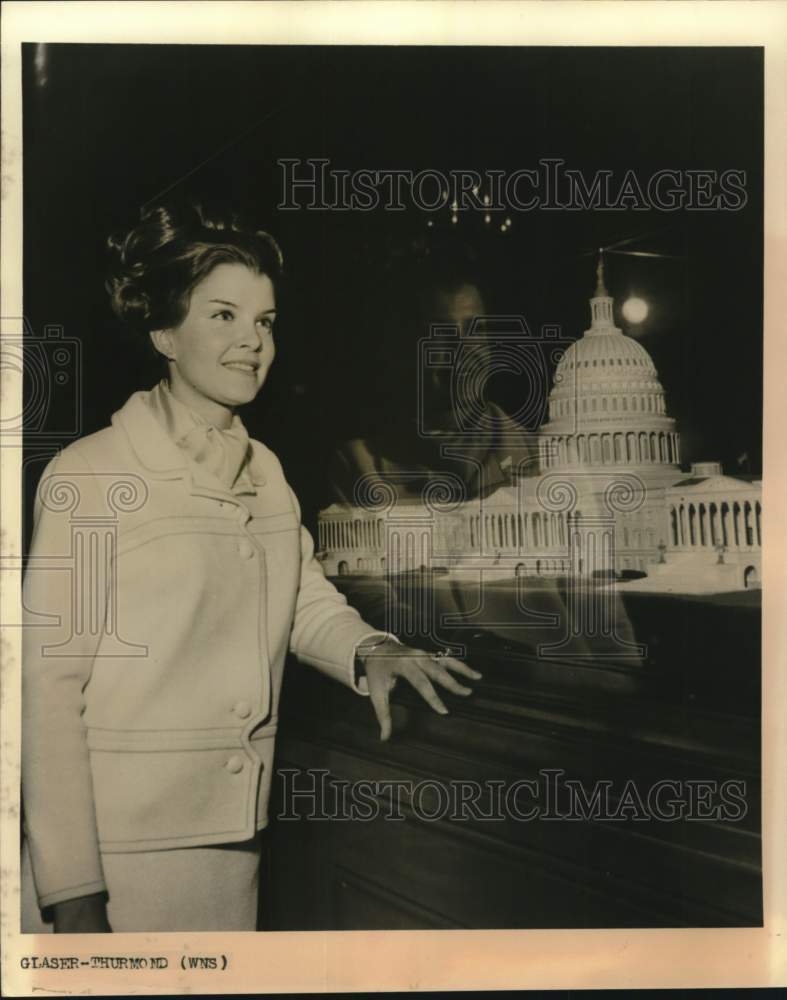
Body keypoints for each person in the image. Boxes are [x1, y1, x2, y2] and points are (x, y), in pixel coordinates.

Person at [20, 203, 481, 933]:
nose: (251, 343)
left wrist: (370, 648)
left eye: (263, 322)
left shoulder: (264, 470)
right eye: (224, 317)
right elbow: (41, 696)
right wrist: (71, 890)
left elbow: (300, 599)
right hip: (113, 862)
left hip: (235, 850)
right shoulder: (91, 477)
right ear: (164, 332)